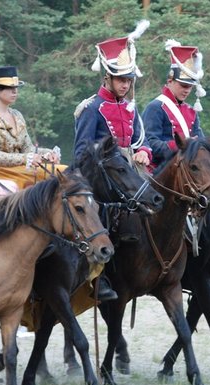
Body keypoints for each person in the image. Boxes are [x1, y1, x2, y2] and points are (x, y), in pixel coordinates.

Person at [73, 20, 151, 301]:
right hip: (98, 177)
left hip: (129, 172)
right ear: (107, 78)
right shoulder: (91, 109)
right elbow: (81, 152)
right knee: (99, 213)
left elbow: (141, 141)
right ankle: (99, 276)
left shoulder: (131, 108)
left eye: (128, 79)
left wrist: (145, 152)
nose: (125, 84)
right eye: (121, 79)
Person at [0, 66, 65, 190]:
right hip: (0, 172)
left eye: (16, 88)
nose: (15, 91)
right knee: (61, 177)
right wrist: (25, 158)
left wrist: (47, 154)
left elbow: (28, 149)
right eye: (10, 88)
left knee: (65, 173)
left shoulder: (17, 115)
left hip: (22, 169)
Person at [143, 39, 206, 168]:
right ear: (170, 80)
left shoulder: (191, 111)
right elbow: (150, 143)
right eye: (183, 85)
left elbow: (200, 140)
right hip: (161, 170)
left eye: (190, 87)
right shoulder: (155, 107)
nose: (187, 90)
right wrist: (181, 145)